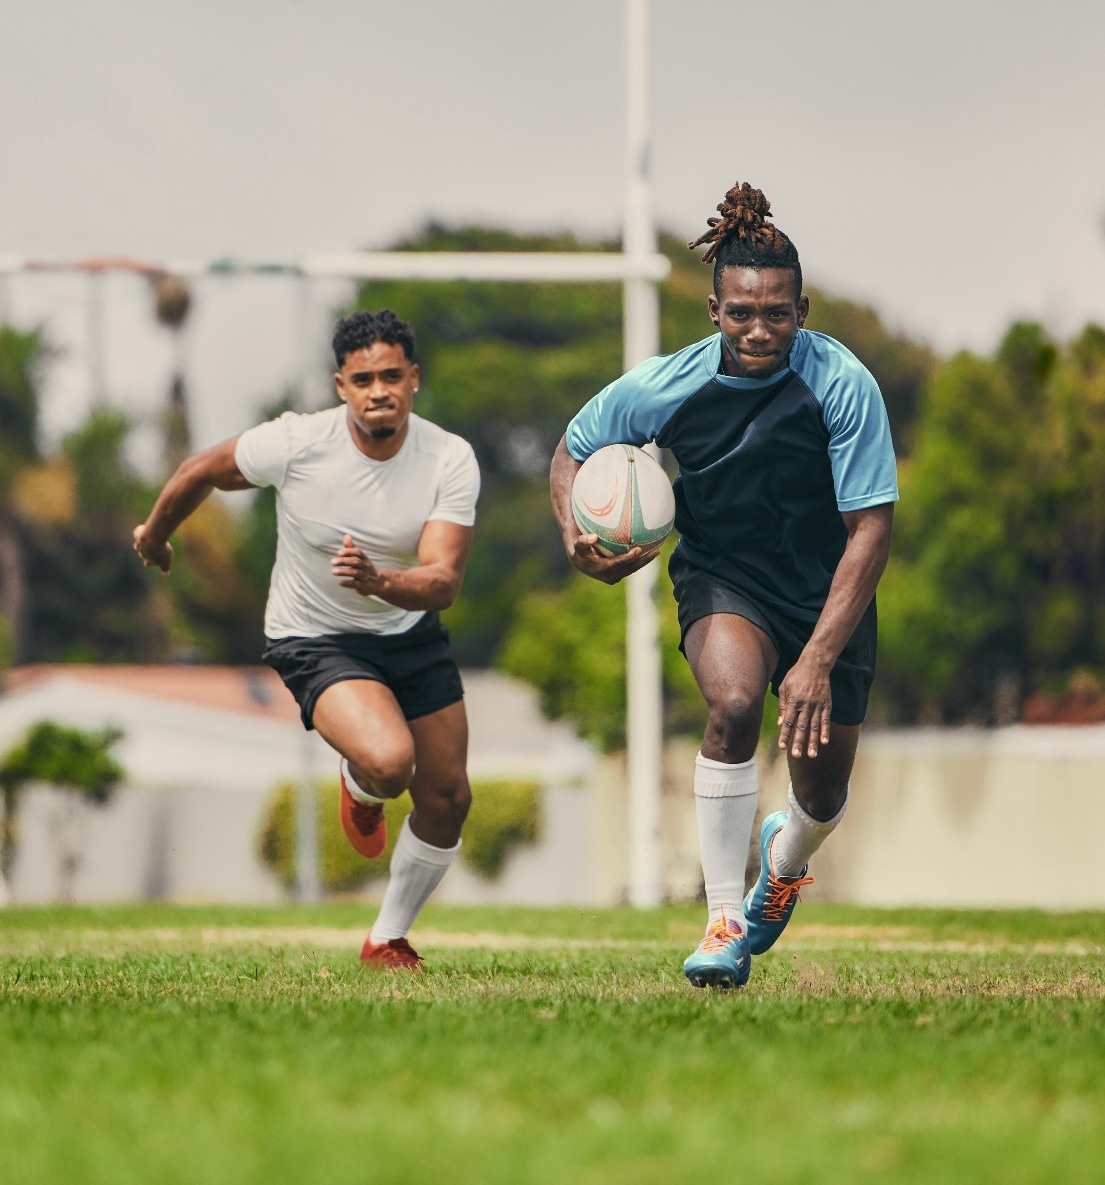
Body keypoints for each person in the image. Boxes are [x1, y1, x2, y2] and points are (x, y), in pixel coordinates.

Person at [550, 183, 897, 989]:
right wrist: (573, 532)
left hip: (827, 591)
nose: (759, 329)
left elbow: (871, 530)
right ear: (713, 309)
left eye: (777, 312)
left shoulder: (843, 384)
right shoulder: (666, 386)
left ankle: (782, 863)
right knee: (735, 705)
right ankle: (721, 920)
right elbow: (573, 446)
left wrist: (815, 659)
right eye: (741, 312)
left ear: (803, 308)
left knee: (822, 795)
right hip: (724, 575)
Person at [133, 310, 481, 970]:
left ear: (414, 380)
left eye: (391, 376)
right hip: (314, 636)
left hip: (408, 630)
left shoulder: (448, 457)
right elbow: (201, 469)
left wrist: (379, 581)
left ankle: (387, 937)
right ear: (341, 386)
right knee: (388, 761)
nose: (378, 389)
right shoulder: (296, 442)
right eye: (363, 378)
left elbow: (441, 582)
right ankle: (362, 780)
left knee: (449, 798)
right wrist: (154, 534)